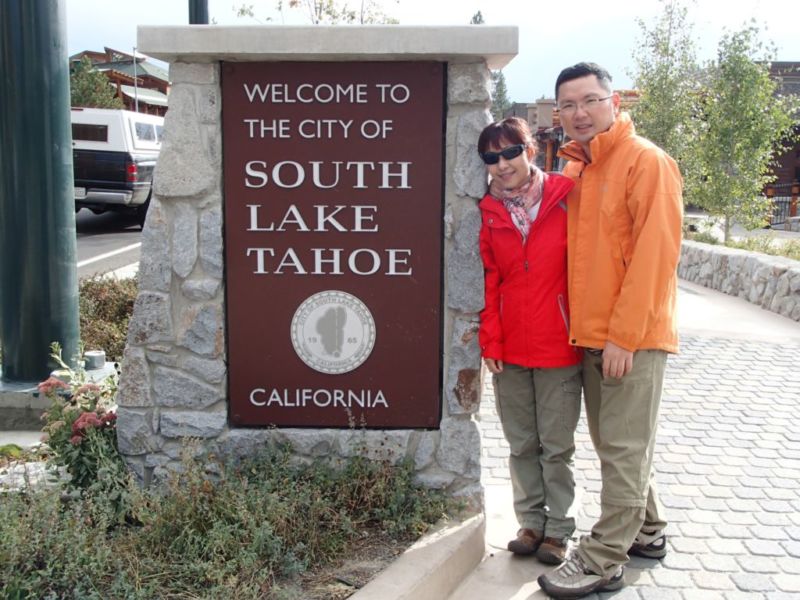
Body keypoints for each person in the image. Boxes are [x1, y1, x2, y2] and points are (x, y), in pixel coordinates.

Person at [536, 63, 683, 598]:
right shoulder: (582, 166)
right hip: (591, 335)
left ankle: (603, 560)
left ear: (613, 101)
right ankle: (646, 530)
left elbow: (655, 257)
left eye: (590, 100)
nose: (580, 112)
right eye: (569, 105)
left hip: (631, 338)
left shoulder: (646, 162)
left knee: (621, 449)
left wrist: (625, 335)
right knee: (616, 445)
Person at [477, 117, 583, 565]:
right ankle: (531, 523)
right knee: (521, 443)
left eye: (510, 152)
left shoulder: (565, 198)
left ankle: (559, 530)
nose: (502, 165)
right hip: (511, 351)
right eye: (491, 158)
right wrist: (491, 343)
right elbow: (488, 281)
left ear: (530, 151)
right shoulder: (488, 211)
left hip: (560, 345)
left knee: (556, 446)